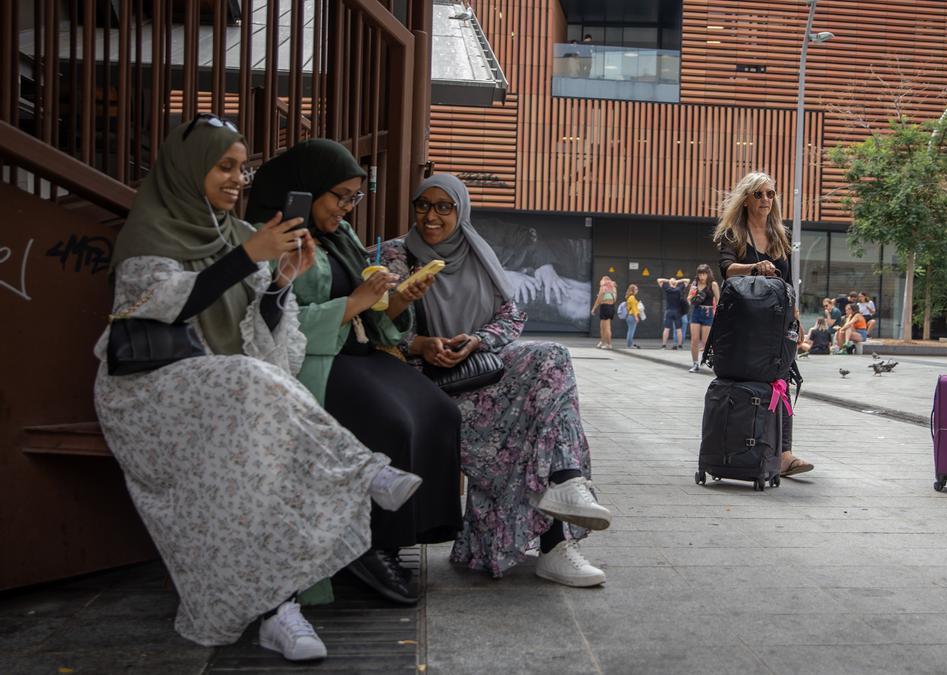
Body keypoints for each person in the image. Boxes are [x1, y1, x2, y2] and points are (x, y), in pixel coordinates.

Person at [94, 116, 421, 661]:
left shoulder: (244, 236)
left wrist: (281, 282)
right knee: (252, 384)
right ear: (190, 168)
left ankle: (279, 609)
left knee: (262, 429)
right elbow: (162, 306)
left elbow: (274, 344)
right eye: (224, 167)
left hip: (226, 390)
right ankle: (363, 470)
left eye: (242, 169)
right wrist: (250, 259)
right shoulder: (150, 233)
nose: (236, 180)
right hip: (149, 395)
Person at [245, 140, 463, 606]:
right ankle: (366, 546)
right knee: (393, 420)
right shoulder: (271, 238)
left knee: (438, 411)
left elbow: (376, 311)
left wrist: (401, 296)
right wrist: (356, 301)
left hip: (359, 350)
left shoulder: (339, 233)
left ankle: (403, 534)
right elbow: (273, 320)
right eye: (339, 196)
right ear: (303, 192)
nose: (346, 208)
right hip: (314, 360)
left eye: (353, 198)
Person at [378, 174, 613, 586]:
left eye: (443, 207)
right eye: (423, 205)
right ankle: (558, 536)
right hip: (426, 385)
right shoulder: (395, 255)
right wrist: (418, 344)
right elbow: (373, 321)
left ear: (460, 211)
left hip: (479, 370)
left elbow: (511, 314)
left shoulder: (476, 252)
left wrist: (477, 339)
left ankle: (565, 486)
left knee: (552, 361)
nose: (431, 216)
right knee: (537, 422)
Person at [714, 171, 814, 476]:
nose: (766, 200)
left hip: (776, 325)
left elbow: (787, 282)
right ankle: (737, 448)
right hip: (743, 325)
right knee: (743, 383)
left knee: (781, 382)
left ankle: (784, 454)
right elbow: (727, 269)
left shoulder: (779, 236)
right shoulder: (734, 233)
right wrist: (755, 267)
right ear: (745, 199)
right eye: (759, 194)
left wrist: (795, 320)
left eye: (770, 194)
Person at [686, 264, 719, 373]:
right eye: (700, 274)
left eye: (704, 274)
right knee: (694, 339)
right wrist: (693, 296)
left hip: (708, 312)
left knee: (706, 341)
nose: (702, 276)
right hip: (696, 311)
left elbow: (719, 301)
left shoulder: (713, 284)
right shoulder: (695, 284)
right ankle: (695, 364)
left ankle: (714, 362)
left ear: (708, 273)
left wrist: (718, 315)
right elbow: (689, 299)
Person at [657, 277, 687, 349]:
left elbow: (659, 280)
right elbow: (687, 281)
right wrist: (677, 281)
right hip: (677, 311)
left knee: (667, 329)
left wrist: (669, 281)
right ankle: (680, 345)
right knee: (679, 329)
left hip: (669, 311)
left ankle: (664, 345)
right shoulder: (679, 289)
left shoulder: (667, 289)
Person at [591, 275, 617, 349]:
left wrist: (593, 309)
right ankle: (603, 342)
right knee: (602, 327)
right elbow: (615, 299)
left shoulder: (603, 287)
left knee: (606, 327)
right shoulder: (613, 288)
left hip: (605, 307)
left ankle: (608, 344)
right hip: (611, 307)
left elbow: (598, 300)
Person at [623, 283, 643, 348]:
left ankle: (630, 344)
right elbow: (634, 308)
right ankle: (629, 345)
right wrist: (636, 317)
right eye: (636, 289)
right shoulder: (632, 297)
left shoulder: (630, 297)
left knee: (630, 330)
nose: (637, 290)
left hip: (629, 316)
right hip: (632, 316)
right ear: (632, 290)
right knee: (631, 331)